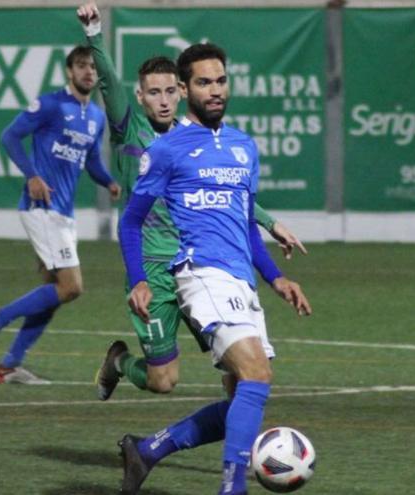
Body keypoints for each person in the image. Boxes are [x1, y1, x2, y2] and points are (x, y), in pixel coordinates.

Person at [76, 3, 307, 400]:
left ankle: (237, 445)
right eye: (154, 92)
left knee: (240, 369)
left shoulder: (194, 138)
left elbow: (226, 194)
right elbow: (109, 82)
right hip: (153, 267)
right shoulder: (129, 129)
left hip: (196, 262)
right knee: (163, 381)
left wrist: (270, 222)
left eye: (170, 91)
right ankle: (119, 363)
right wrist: (95, 32)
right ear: (140, 96)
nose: (163, 100)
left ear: (181, 92)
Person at [117, 42, 312, 494]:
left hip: (241, 279)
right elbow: (131, 220)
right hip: (200, 274)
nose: (216, 90)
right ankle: (232, 487)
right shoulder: (168, 150)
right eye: (204, 83)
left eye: (221, 80)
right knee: (257, 375)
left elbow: (245, 224)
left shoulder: (244, 146)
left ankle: (147, 450)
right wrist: (139, 279)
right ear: (185, 90)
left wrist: (276, 277)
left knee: (243, 401)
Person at [0, 45, 122, 385]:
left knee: (53, 295)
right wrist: (32, 175)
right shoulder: (51, 104)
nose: (88, 72)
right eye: (81, 66)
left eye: (93, 67)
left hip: (64, 214)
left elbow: (91, 162)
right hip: (41, 208)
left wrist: (109, 182)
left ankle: (10, 364)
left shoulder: (95, 116)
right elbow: (10, 136)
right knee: (72, 287)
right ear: (70, 71)